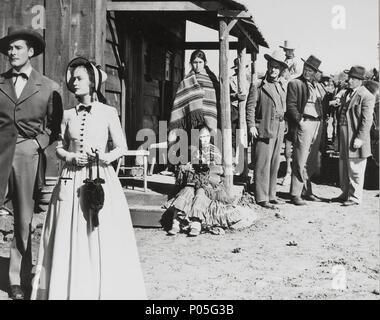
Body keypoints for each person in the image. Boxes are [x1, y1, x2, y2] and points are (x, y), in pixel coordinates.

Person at [31, 57, 146, 299]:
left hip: (99, 177)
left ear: (93, 82)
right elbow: (58, 146)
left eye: (80, 78)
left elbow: (121, 146)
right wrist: (71, 157)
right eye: (72, 78)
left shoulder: (108, 112)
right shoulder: (68, 114)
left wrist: (104, 157)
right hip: (72, 179)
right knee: (68, 230)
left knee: (99, 231)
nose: (74, 82)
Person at [0, 25, 63, 300]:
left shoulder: (49, 87)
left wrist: (38, 143)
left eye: (18, 47)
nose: (12, 52)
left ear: (31, 51)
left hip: (27, 155)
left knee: (23, 221)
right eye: (9, 48)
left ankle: (17, 280)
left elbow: (55, 125)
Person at [164, 126, 255, 237]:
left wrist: (206, 172)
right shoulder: (192, 150)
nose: (205, 139)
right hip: (193, 181)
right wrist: (188, 167)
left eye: (207, 136)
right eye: (202, 137)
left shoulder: (214, 151)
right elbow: (182, 168)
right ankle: (176, 223)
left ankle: (196, 224)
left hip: (208, 183)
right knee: (186, 192)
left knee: (200, 194)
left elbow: (218, 171)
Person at [246, 50, 287, 210]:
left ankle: (272, 195)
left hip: (279, 127)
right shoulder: (258, 85)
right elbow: (250, 107)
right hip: (263, 127)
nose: (273, 70)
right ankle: (262, 197)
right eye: (271, 66)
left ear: (280, 70)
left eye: (276, 67)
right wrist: (250, 125)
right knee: (262, 163)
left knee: (275, 163)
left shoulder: (281, 86)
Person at [286, 55, 327, 206]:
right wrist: (299, 120)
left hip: (317, 124)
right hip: (305, 123)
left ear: (316, 72)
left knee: (311, 162)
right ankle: (295, 193)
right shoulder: (295, 83)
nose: (307, 72)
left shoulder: (316, 86)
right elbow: (291, 106)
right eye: (306, 68)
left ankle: (307, 191)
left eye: (311, 70)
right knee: (300, 159)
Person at [331, 66, 375, 206]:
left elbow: (366, 120)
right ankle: (345, 193)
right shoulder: (348, 93)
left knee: (356, 167)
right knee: (344, 165)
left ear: (359, 80)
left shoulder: (366, 96)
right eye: (349, 77)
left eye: (352, 78)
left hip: (355, 135)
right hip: (344, 133)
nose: (348, 80)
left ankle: (355, 197)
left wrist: (360, 138)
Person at [168, 50, 219, 145]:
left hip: (210, 118)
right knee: (193, 147)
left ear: (205, 63)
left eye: (200, 62)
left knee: (209, 147)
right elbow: (180, 102)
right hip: (192, 122)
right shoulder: (186, 81)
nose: (198, 65)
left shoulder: (212, 79)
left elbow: (216, 98)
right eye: (195, 62)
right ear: (191, 63)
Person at [279, 40, 303, 186]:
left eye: (288, 50)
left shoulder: (296, 63)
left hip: (292, 85)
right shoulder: (283, 61)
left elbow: (298, 75)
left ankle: (292, 172)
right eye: (285, 50)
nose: (286, 52)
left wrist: (288, 79)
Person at [230, 57, 249, 158]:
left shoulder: (248, 80)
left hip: (245, 108)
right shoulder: (231, 80)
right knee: (233, 131)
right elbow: (227, 94)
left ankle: (241, 156)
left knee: (243, 132)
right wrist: (235, 95)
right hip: (234, 108)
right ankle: (232, 155)